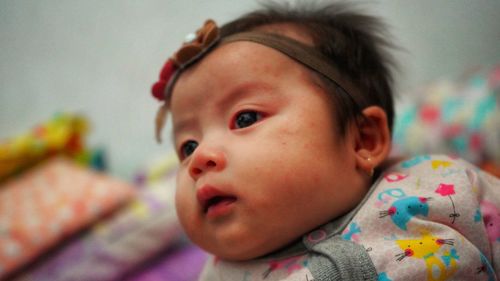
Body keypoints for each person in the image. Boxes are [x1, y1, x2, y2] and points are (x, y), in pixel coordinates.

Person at [150, 2, 500, 280]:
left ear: (362, 139)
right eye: (187, 146)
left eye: (245, 118)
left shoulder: (443, 187)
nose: (199, 159)